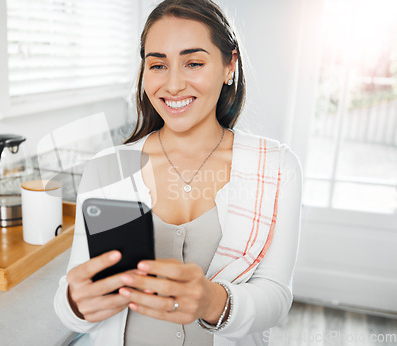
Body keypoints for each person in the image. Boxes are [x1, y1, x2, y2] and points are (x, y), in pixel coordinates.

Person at [54, 0, 303, 345]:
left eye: (194, 63)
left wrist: (211, 300)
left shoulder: (277, 167)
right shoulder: (109, 168)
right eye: (158, 65)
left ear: (230, 64)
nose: (172, 85)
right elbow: (72, 296)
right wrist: (75, 302)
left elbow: (276, 296)